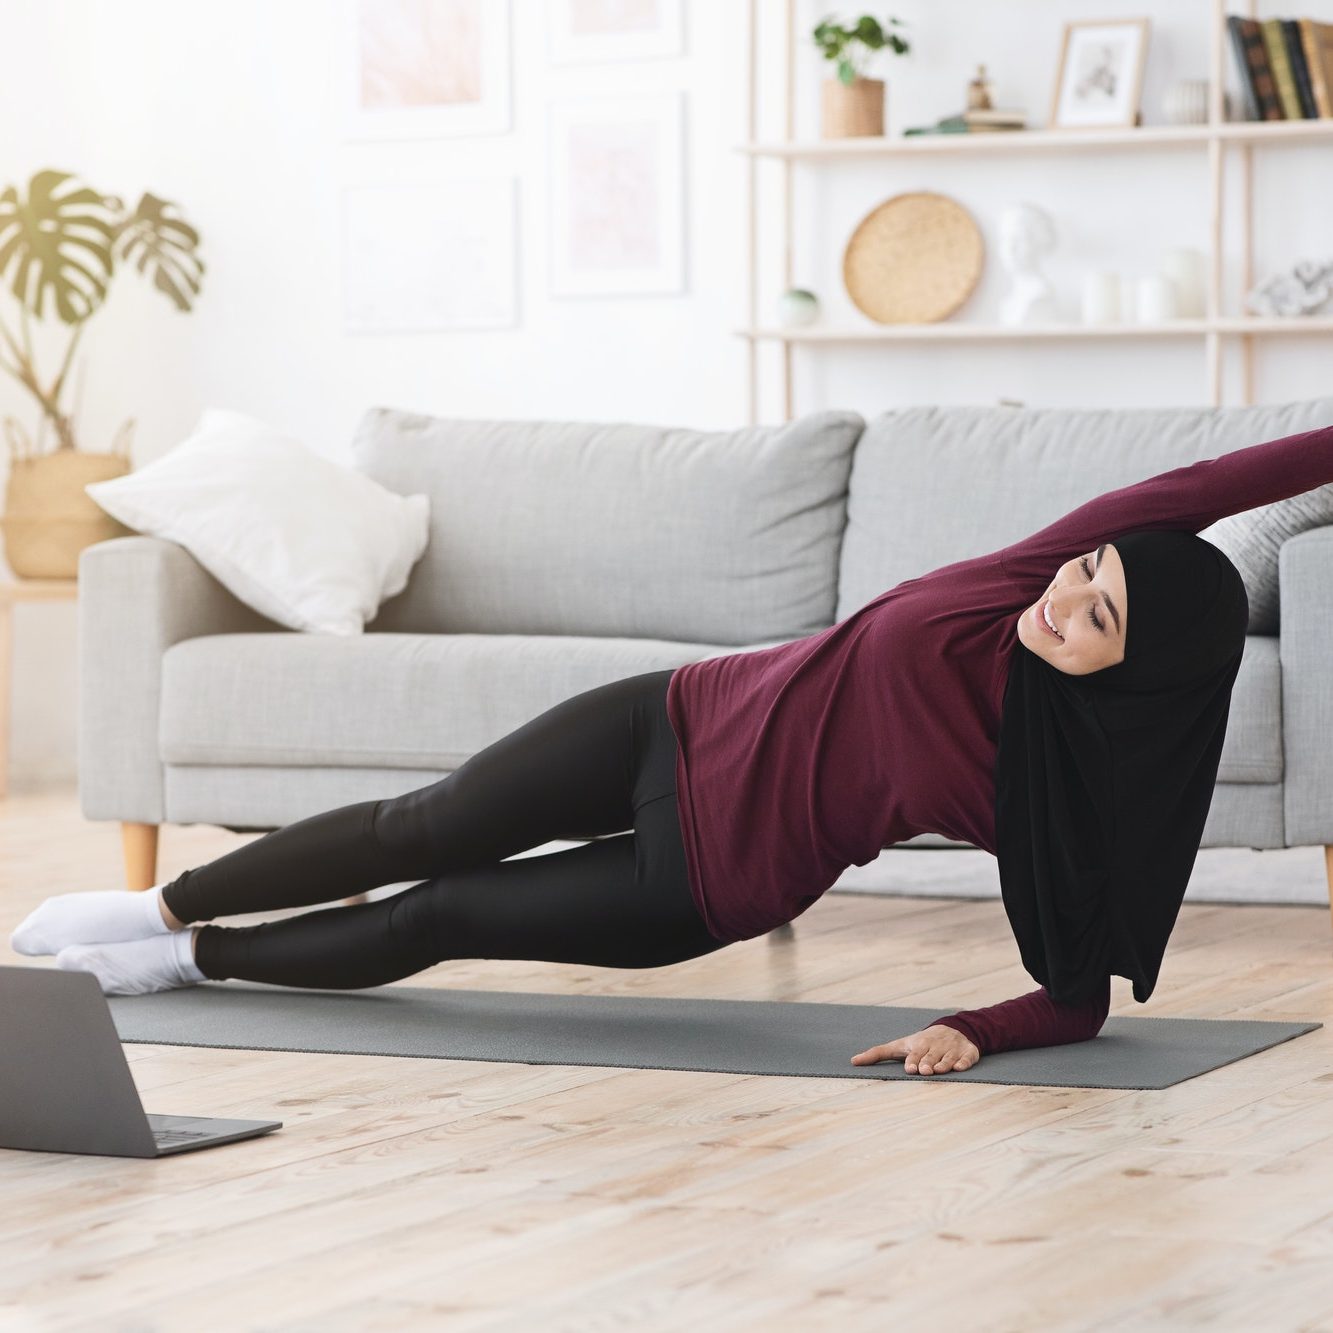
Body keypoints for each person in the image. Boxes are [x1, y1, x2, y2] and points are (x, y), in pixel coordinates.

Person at [11, 421, 1333, 1079]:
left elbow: (1081, 988)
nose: (1068, 597)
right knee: (430, 817)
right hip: (676, 713)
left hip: (707, 880)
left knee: (444, 911)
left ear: (1131, 676)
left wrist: (971, 1032)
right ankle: (158, 899)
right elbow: (1219, 485)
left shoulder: (1048, 785)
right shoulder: (1016, 576)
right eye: (1088, 571)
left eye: (1095, 614)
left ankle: (181, 965)